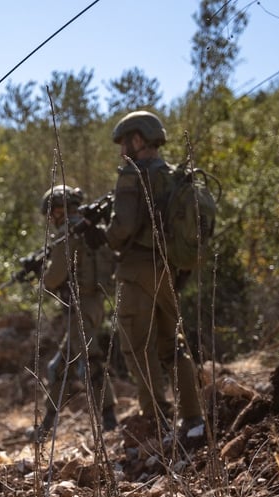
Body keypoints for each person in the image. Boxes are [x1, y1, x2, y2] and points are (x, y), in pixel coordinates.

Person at [102, 111, 205, 444]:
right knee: (172, 347)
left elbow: (123, 229)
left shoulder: (132, 175)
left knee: (137, 347)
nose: (122, 153)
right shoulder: (174, 177)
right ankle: (193, 421)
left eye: (124, 144)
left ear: (137, 140)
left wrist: (103, 236)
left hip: (136, 272)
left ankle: (157, 422)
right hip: (168, 271)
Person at [26, 184, 118, 439]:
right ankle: (47, 424)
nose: (50, 219)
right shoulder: (95, 230)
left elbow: (54, 279)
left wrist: (41, 274)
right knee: (62, 366)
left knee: (90, 361)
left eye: (52, 213)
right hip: (95, 305)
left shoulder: (68, 235)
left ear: (59, 210)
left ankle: (110, 420)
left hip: (80, 306)